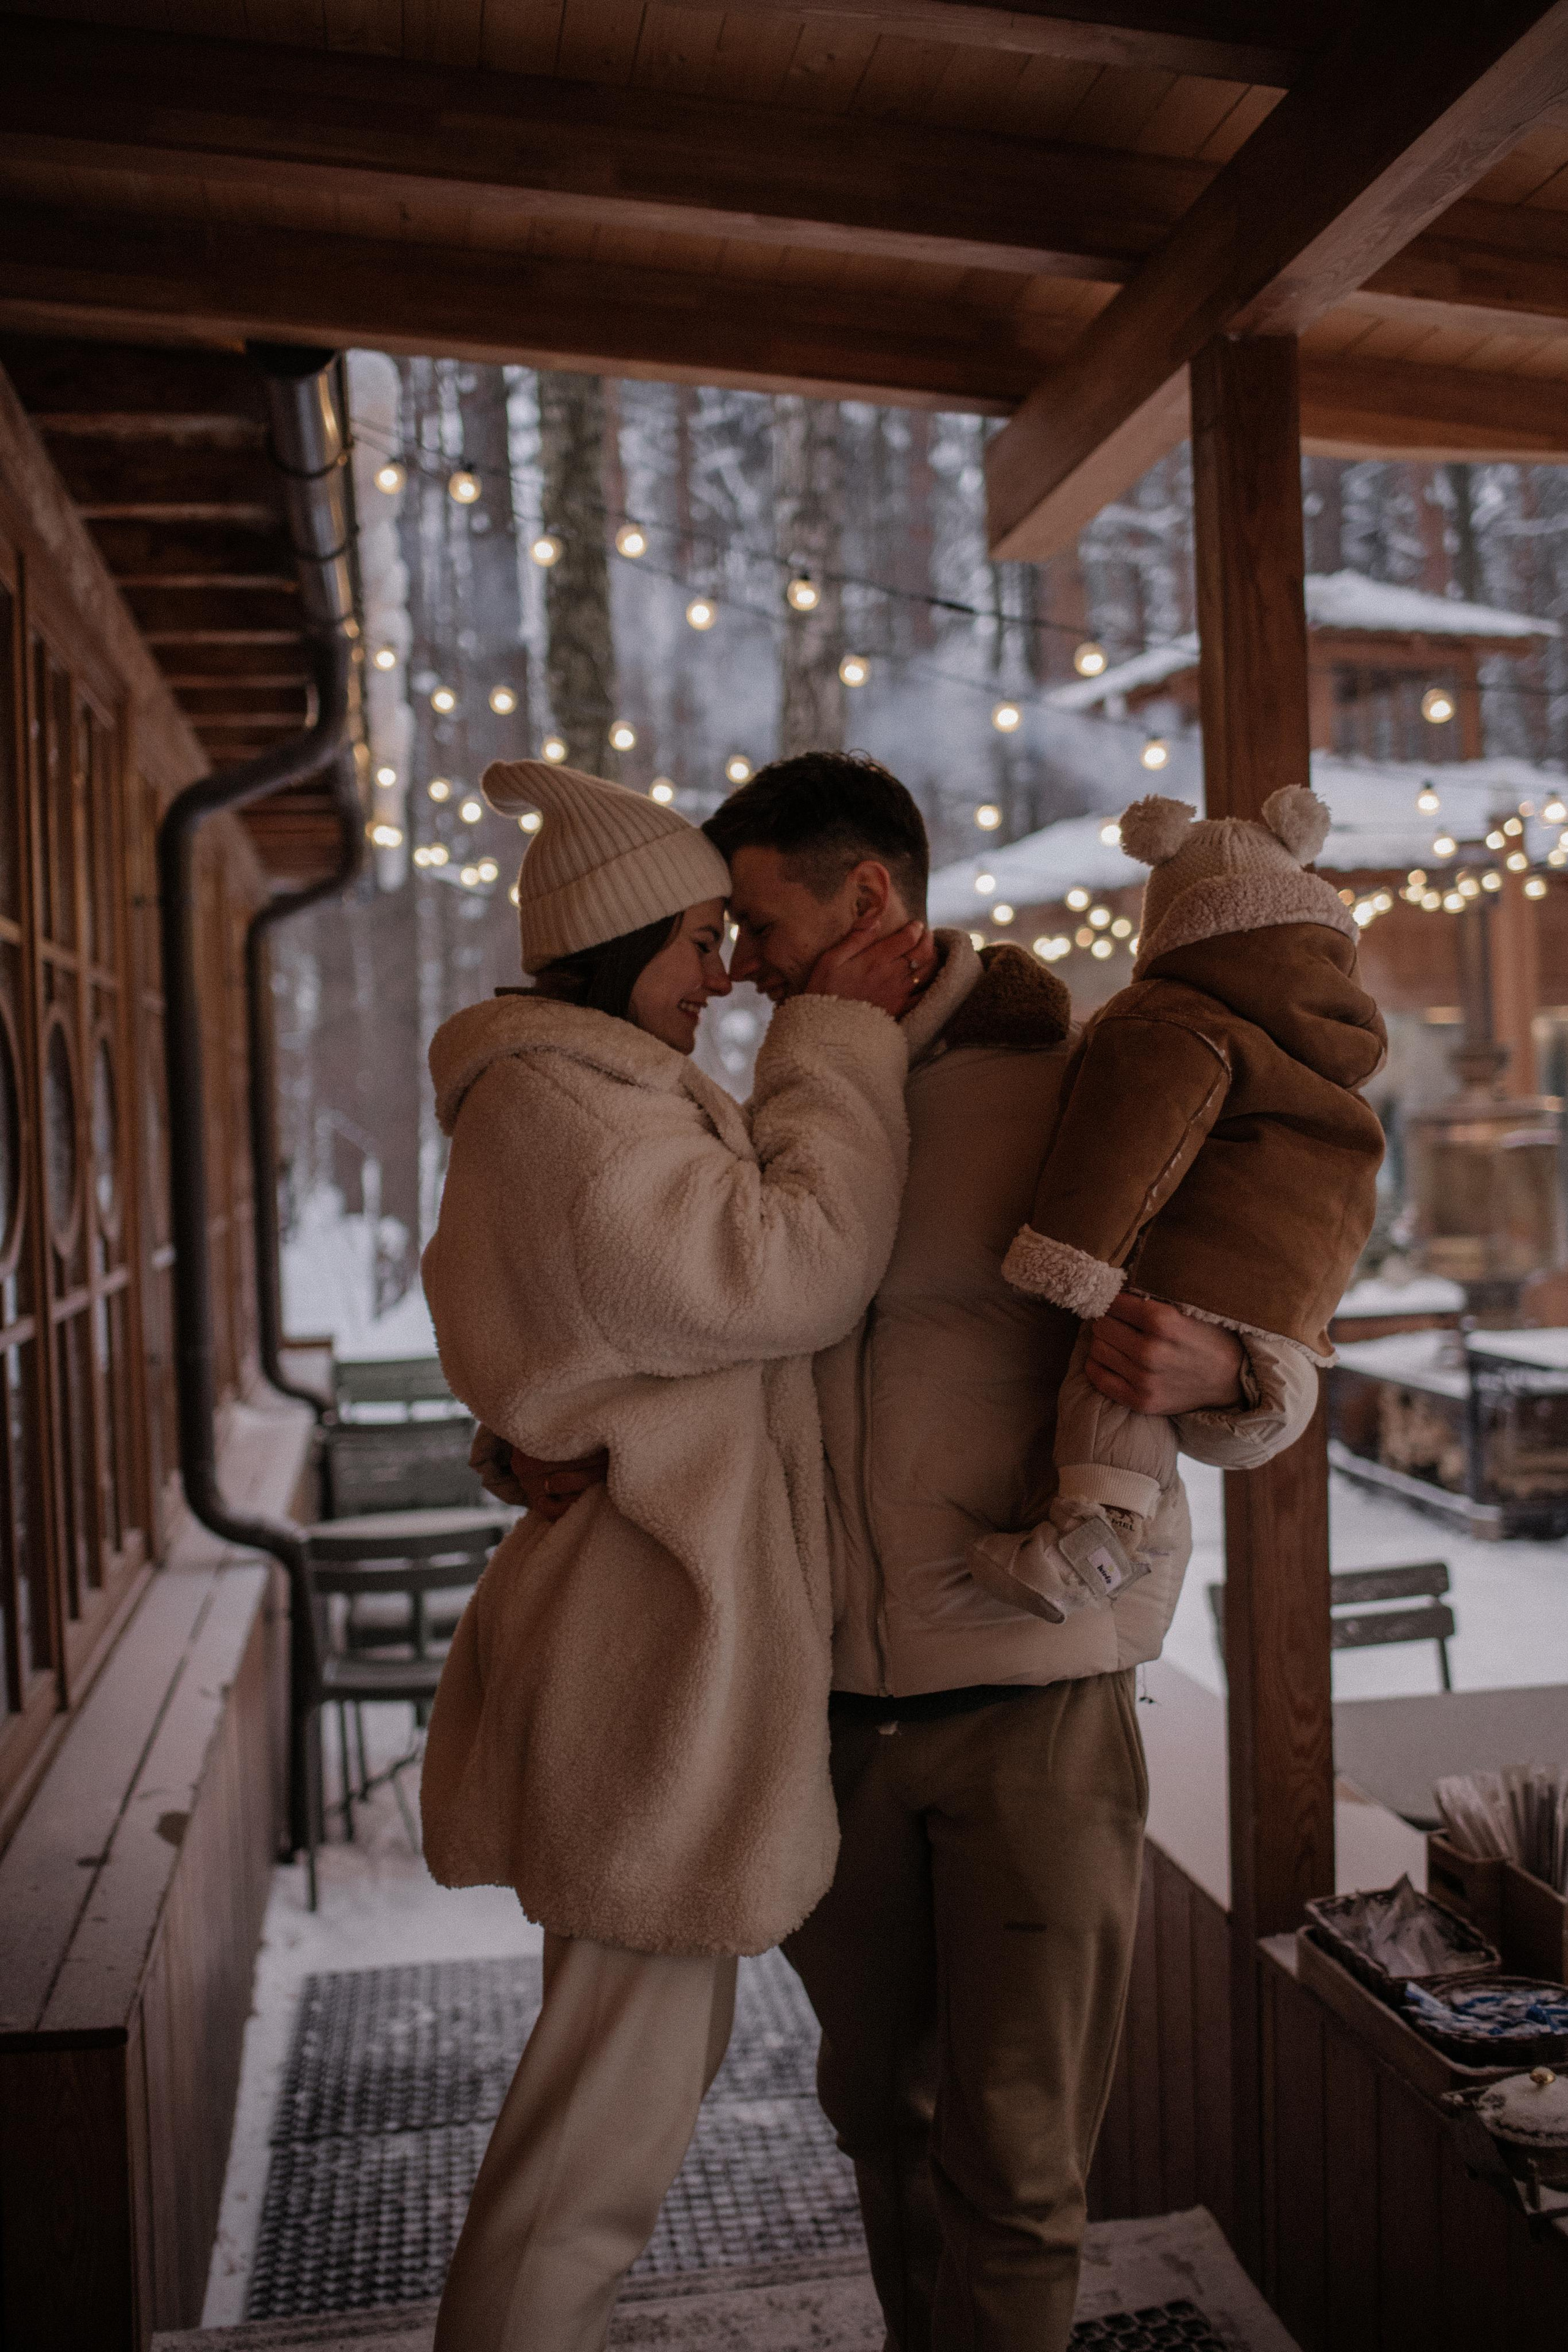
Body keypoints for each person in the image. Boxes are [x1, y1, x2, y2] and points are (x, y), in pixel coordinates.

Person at [492, 751, 1319, 2352]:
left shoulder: (1088, 1077)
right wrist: (524, 1437)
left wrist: (1244, 1378)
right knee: (884, 2122)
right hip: (819, 1714)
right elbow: (655, 1318)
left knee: (1015, 2159)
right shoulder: (760, 1108)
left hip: (1038, 1704)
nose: (735, 967)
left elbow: (1276, 1273)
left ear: (870, 897)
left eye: (761, 923)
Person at [417, 756, 927, 2352]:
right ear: (617, 941)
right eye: (699, 942)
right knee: (596, 2144)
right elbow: (785, 1274)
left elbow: (594, 1345)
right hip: (651, 1670)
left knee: (617, 2107)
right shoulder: (568, 1101)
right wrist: (834, 1038)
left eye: (732, 938)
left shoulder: (592, 1093)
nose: (726, 976)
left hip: (665, 1649)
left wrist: (522, 1429)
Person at [970, 785, 1385, 1626]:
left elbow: (1131, 1143)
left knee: (1111, 1375)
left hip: (1203, 1250)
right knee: (1132, 1379)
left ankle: (1081, 1551)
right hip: (1285, 1278)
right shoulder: (1319, 1046)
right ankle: (1096, 1544)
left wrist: (1071, 1256)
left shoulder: (1171, 1017)